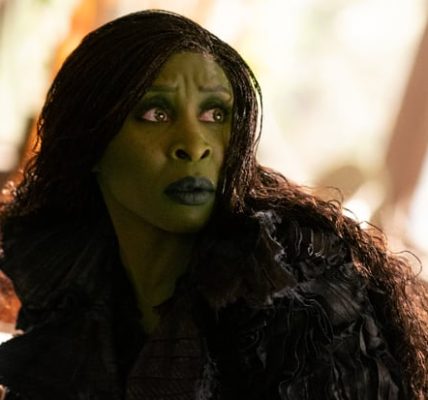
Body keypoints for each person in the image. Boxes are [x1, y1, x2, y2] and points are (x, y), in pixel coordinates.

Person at [0, 9, 427, 400]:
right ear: (90, 140)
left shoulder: (291, 281)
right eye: (156, 114)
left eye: (215, 115)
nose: (194, 145)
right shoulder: (68, 275)